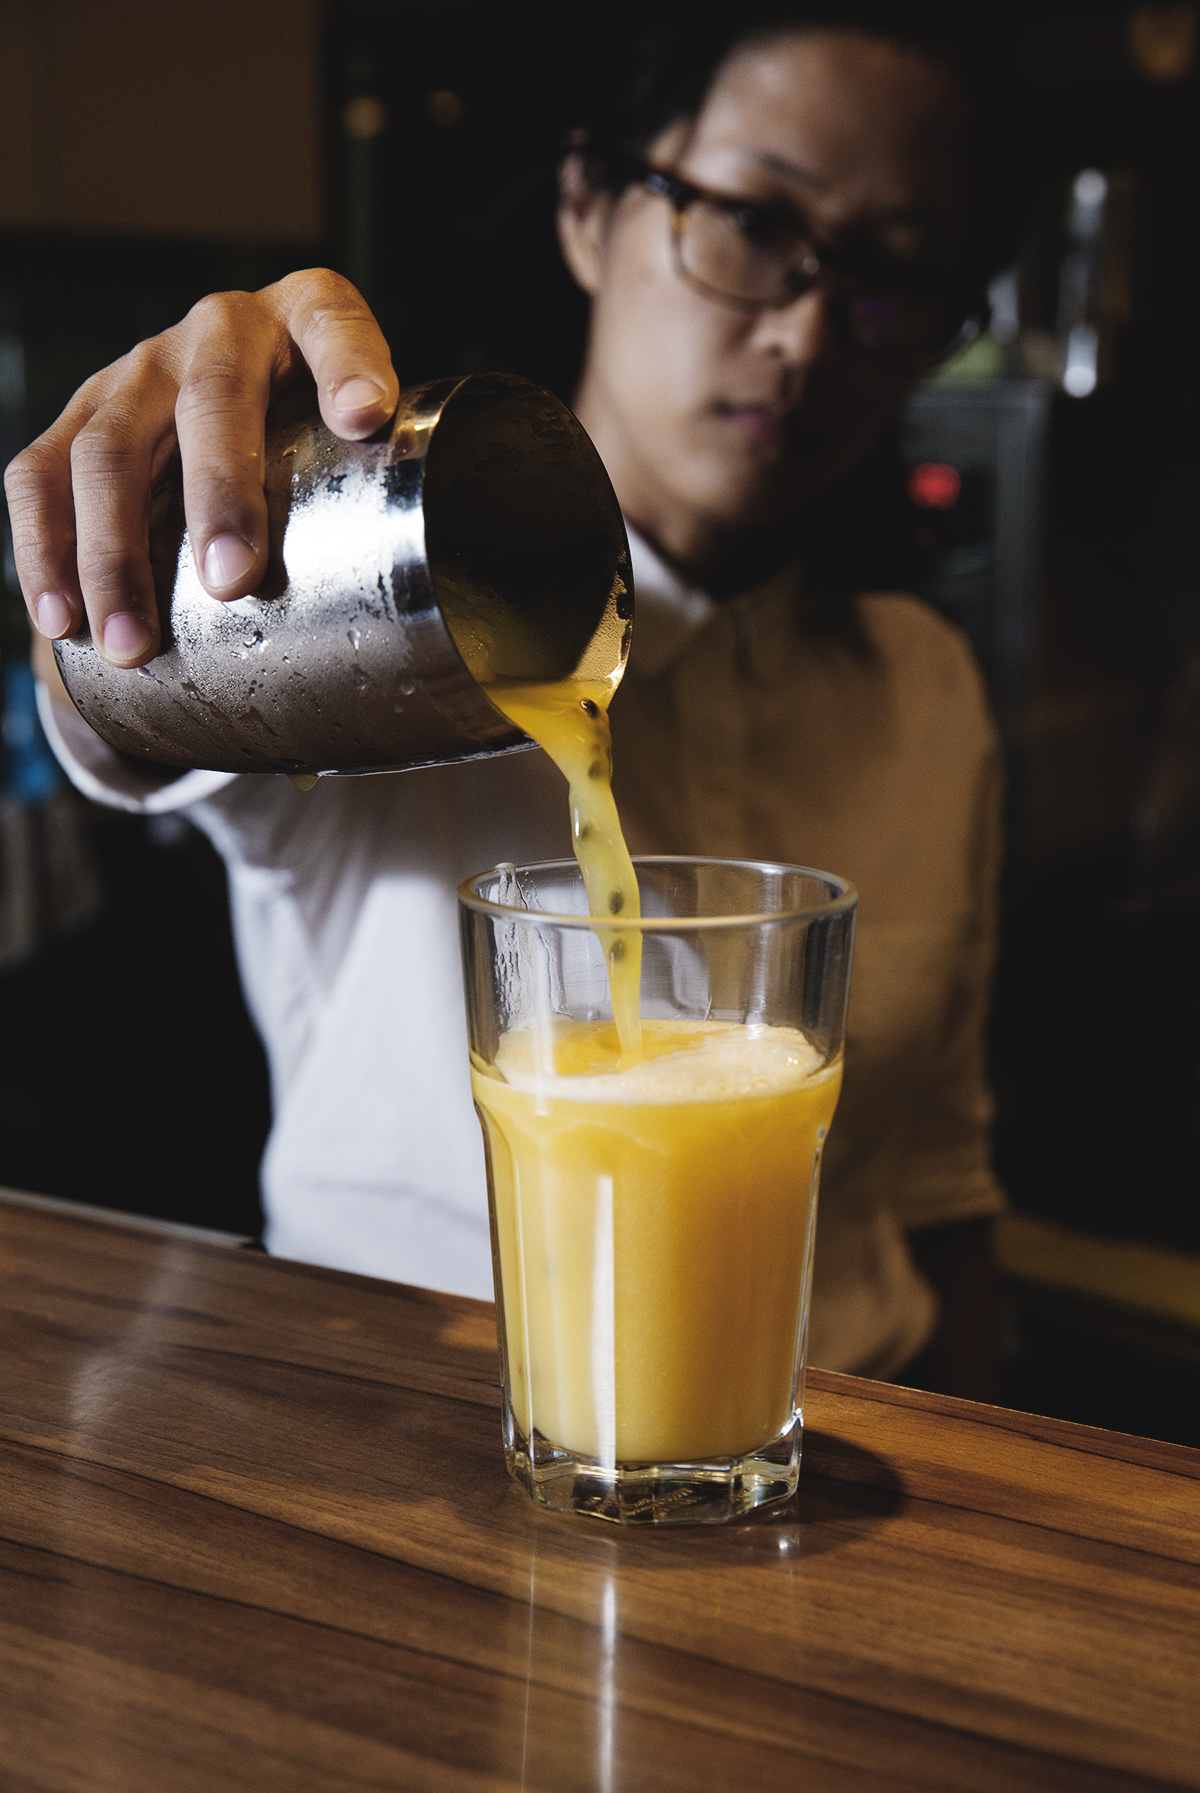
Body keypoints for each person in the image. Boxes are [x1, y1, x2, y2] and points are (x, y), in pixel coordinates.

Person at [5, 1, 1027, 1397]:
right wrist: (161, 544)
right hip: (408, 1451)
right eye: (751, 223)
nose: (803, 331)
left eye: (892, 277)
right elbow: (117, 727)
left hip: (833, 1459)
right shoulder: (383, 617)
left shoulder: (926, 682)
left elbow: (944, 1189)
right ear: (590, 207)